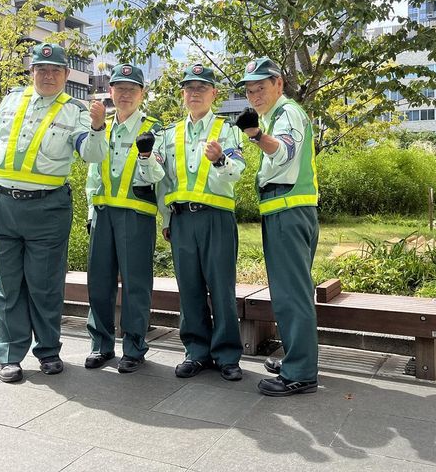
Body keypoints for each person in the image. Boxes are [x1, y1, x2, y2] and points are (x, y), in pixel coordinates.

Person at [0, 42, 107, 383]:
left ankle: (48, 351)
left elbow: (93, 156)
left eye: (55, 70)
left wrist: (98, 128)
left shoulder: (77, 111)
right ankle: (9, 354)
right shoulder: (10, 101)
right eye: (41, 69)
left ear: (67, 75)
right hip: (2, 204)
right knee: (6, 285)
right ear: (32, 72)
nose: (48, 75)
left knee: (45, 284)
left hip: (47, 208)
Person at [234, 57, 320, 396]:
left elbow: (283, 151)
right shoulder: (278, 116)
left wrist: (255, 134)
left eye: (261, 87)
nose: (255, 95)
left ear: (279, 84)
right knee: (290, 292)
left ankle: (301, 373)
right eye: (250, 90)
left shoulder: (288, 114)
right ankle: (298, 359)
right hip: (283, 212)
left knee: (292, 294)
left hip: (289, 211)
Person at [158, 63, 245, 382]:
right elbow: (164, 181)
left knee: (221, 287)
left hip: (216, 218)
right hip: (181, 220)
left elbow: (238, 171)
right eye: (189, 88)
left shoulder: (228, 129)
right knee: (189, 288)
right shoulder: (169, 133)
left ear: (214, 93)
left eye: (201, 88)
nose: (194, 93)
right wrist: (166, 219)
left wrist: (220, 159)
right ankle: (195, 351)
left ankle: (226, 355)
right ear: (183, 94)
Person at [85, 63, 164, 373]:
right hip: (103, 214)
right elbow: (93, 170)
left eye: (132, 89)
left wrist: (145, 157)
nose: (126, 94)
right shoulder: (101, 125)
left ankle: (134, 347)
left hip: (136, 214)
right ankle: (100, 345)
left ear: (142, 93)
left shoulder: (154, 128)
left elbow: (159, 174)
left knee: (136, 285)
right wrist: (91, 211)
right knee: (99, 283)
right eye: (120, 89)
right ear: (111, 92)